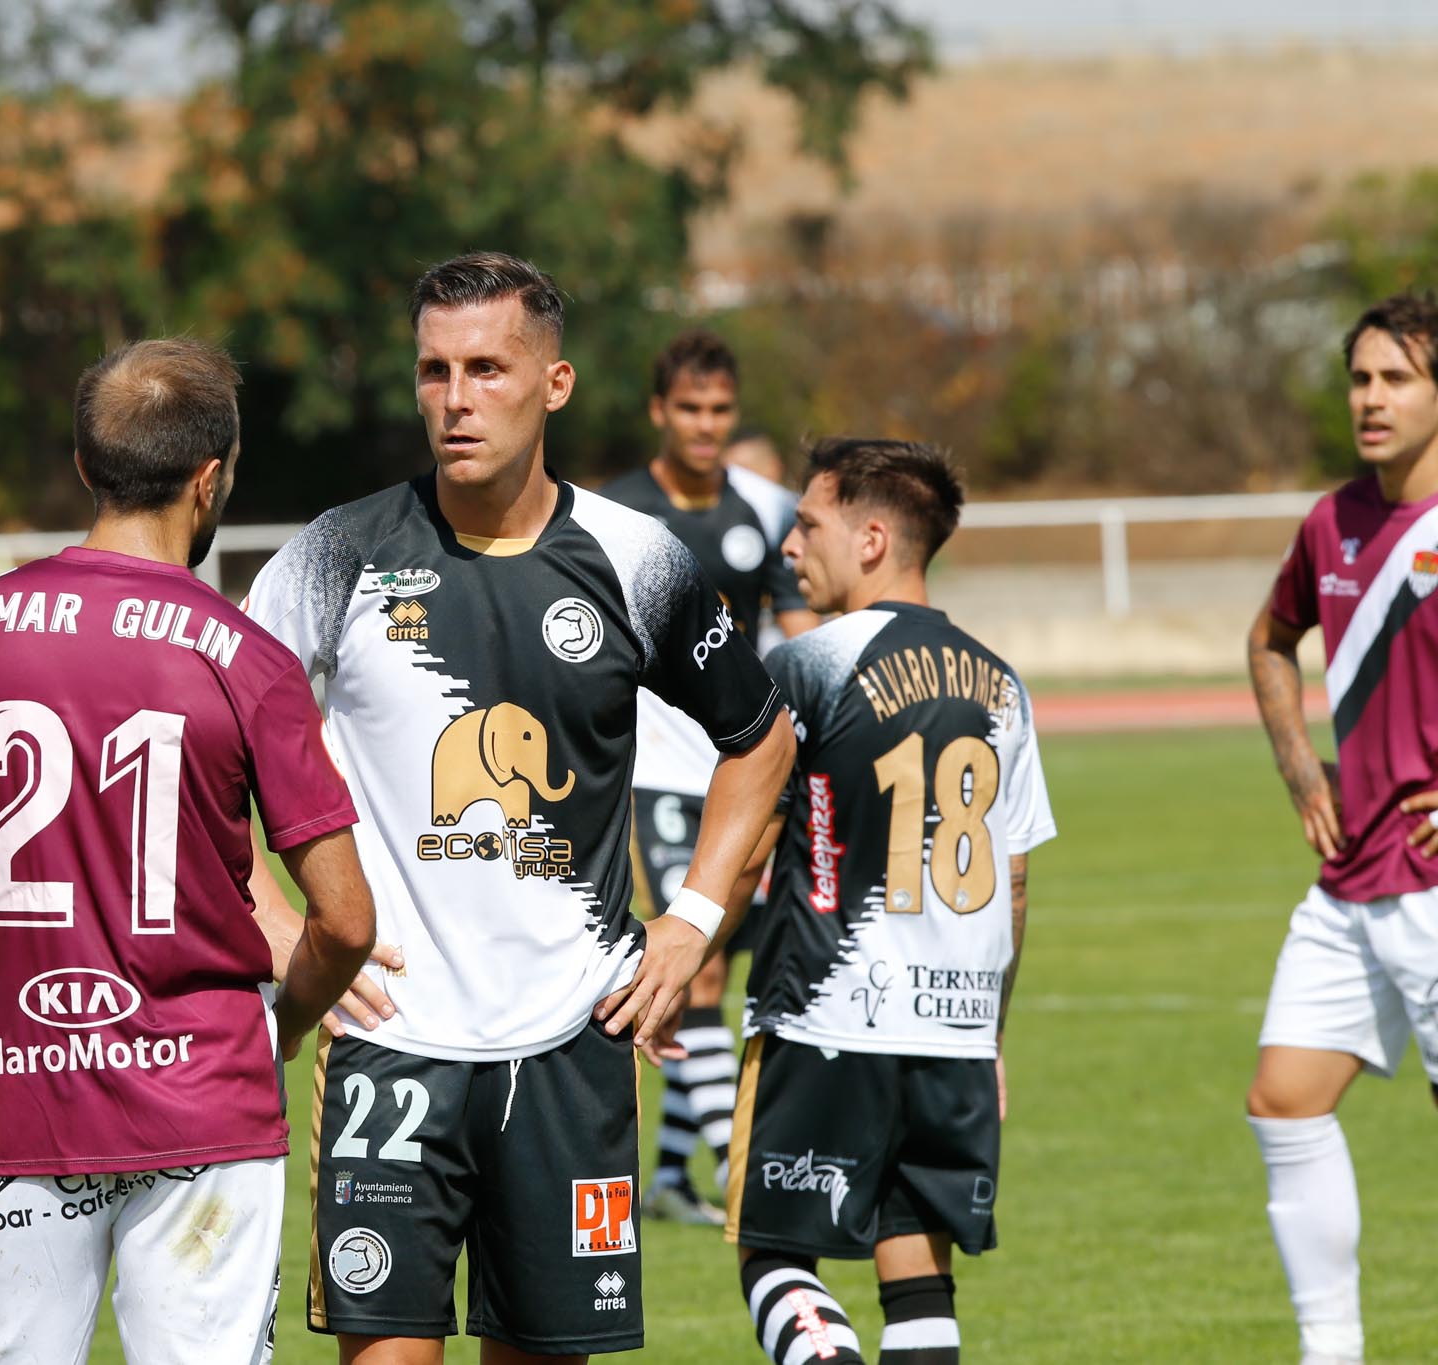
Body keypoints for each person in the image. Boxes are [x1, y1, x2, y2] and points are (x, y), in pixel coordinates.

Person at [244, 251, 795, 1363]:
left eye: (487, 368)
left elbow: (759, 737)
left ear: (553, 384)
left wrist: (689, 922)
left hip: (570, 1041)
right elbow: (209, 753)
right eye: (433, 370)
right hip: (391, 1043)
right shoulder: (334, 556)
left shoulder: (638, 560)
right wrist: (281, 927)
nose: (455, 398)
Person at [0, 337, 376, 1365]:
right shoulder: (248, 659)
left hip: (20, 1101)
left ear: (86, 464)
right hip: (207, 1107)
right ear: (209, 474)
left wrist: (3, 988)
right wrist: (283, 1024)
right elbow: (345, 921)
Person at [725, 438, 1054, 1365]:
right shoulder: (1003, 684)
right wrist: (989, 1032)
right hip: (952, 1030)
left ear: (871, 538)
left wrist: (685, 951)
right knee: (917, 1279)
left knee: (773, 1252)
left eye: (808, 523)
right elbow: (1014, 881)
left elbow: (746, 837)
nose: (789, 547)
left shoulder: (806, 663)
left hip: (826, 1012)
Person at [1244, 292, 1438, 1365]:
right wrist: (1293, 767)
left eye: (1394, 378)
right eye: (1358, 378)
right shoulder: (1330, 522)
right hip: (1351, 874)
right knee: (1281, 1101)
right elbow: (1270, 640)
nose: (1369, 398)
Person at [598, 329, 817, 1225]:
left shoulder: (755, 514)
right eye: (689, 408)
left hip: (745, 775)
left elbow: (795, 629)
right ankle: (741, 1178)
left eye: (721, 410)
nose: (706, 425)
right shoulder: (618, 515)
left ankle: (671, 1178)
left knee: (709, 980)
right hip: (652, 777)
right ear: (659, 411)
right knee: (694, 975)